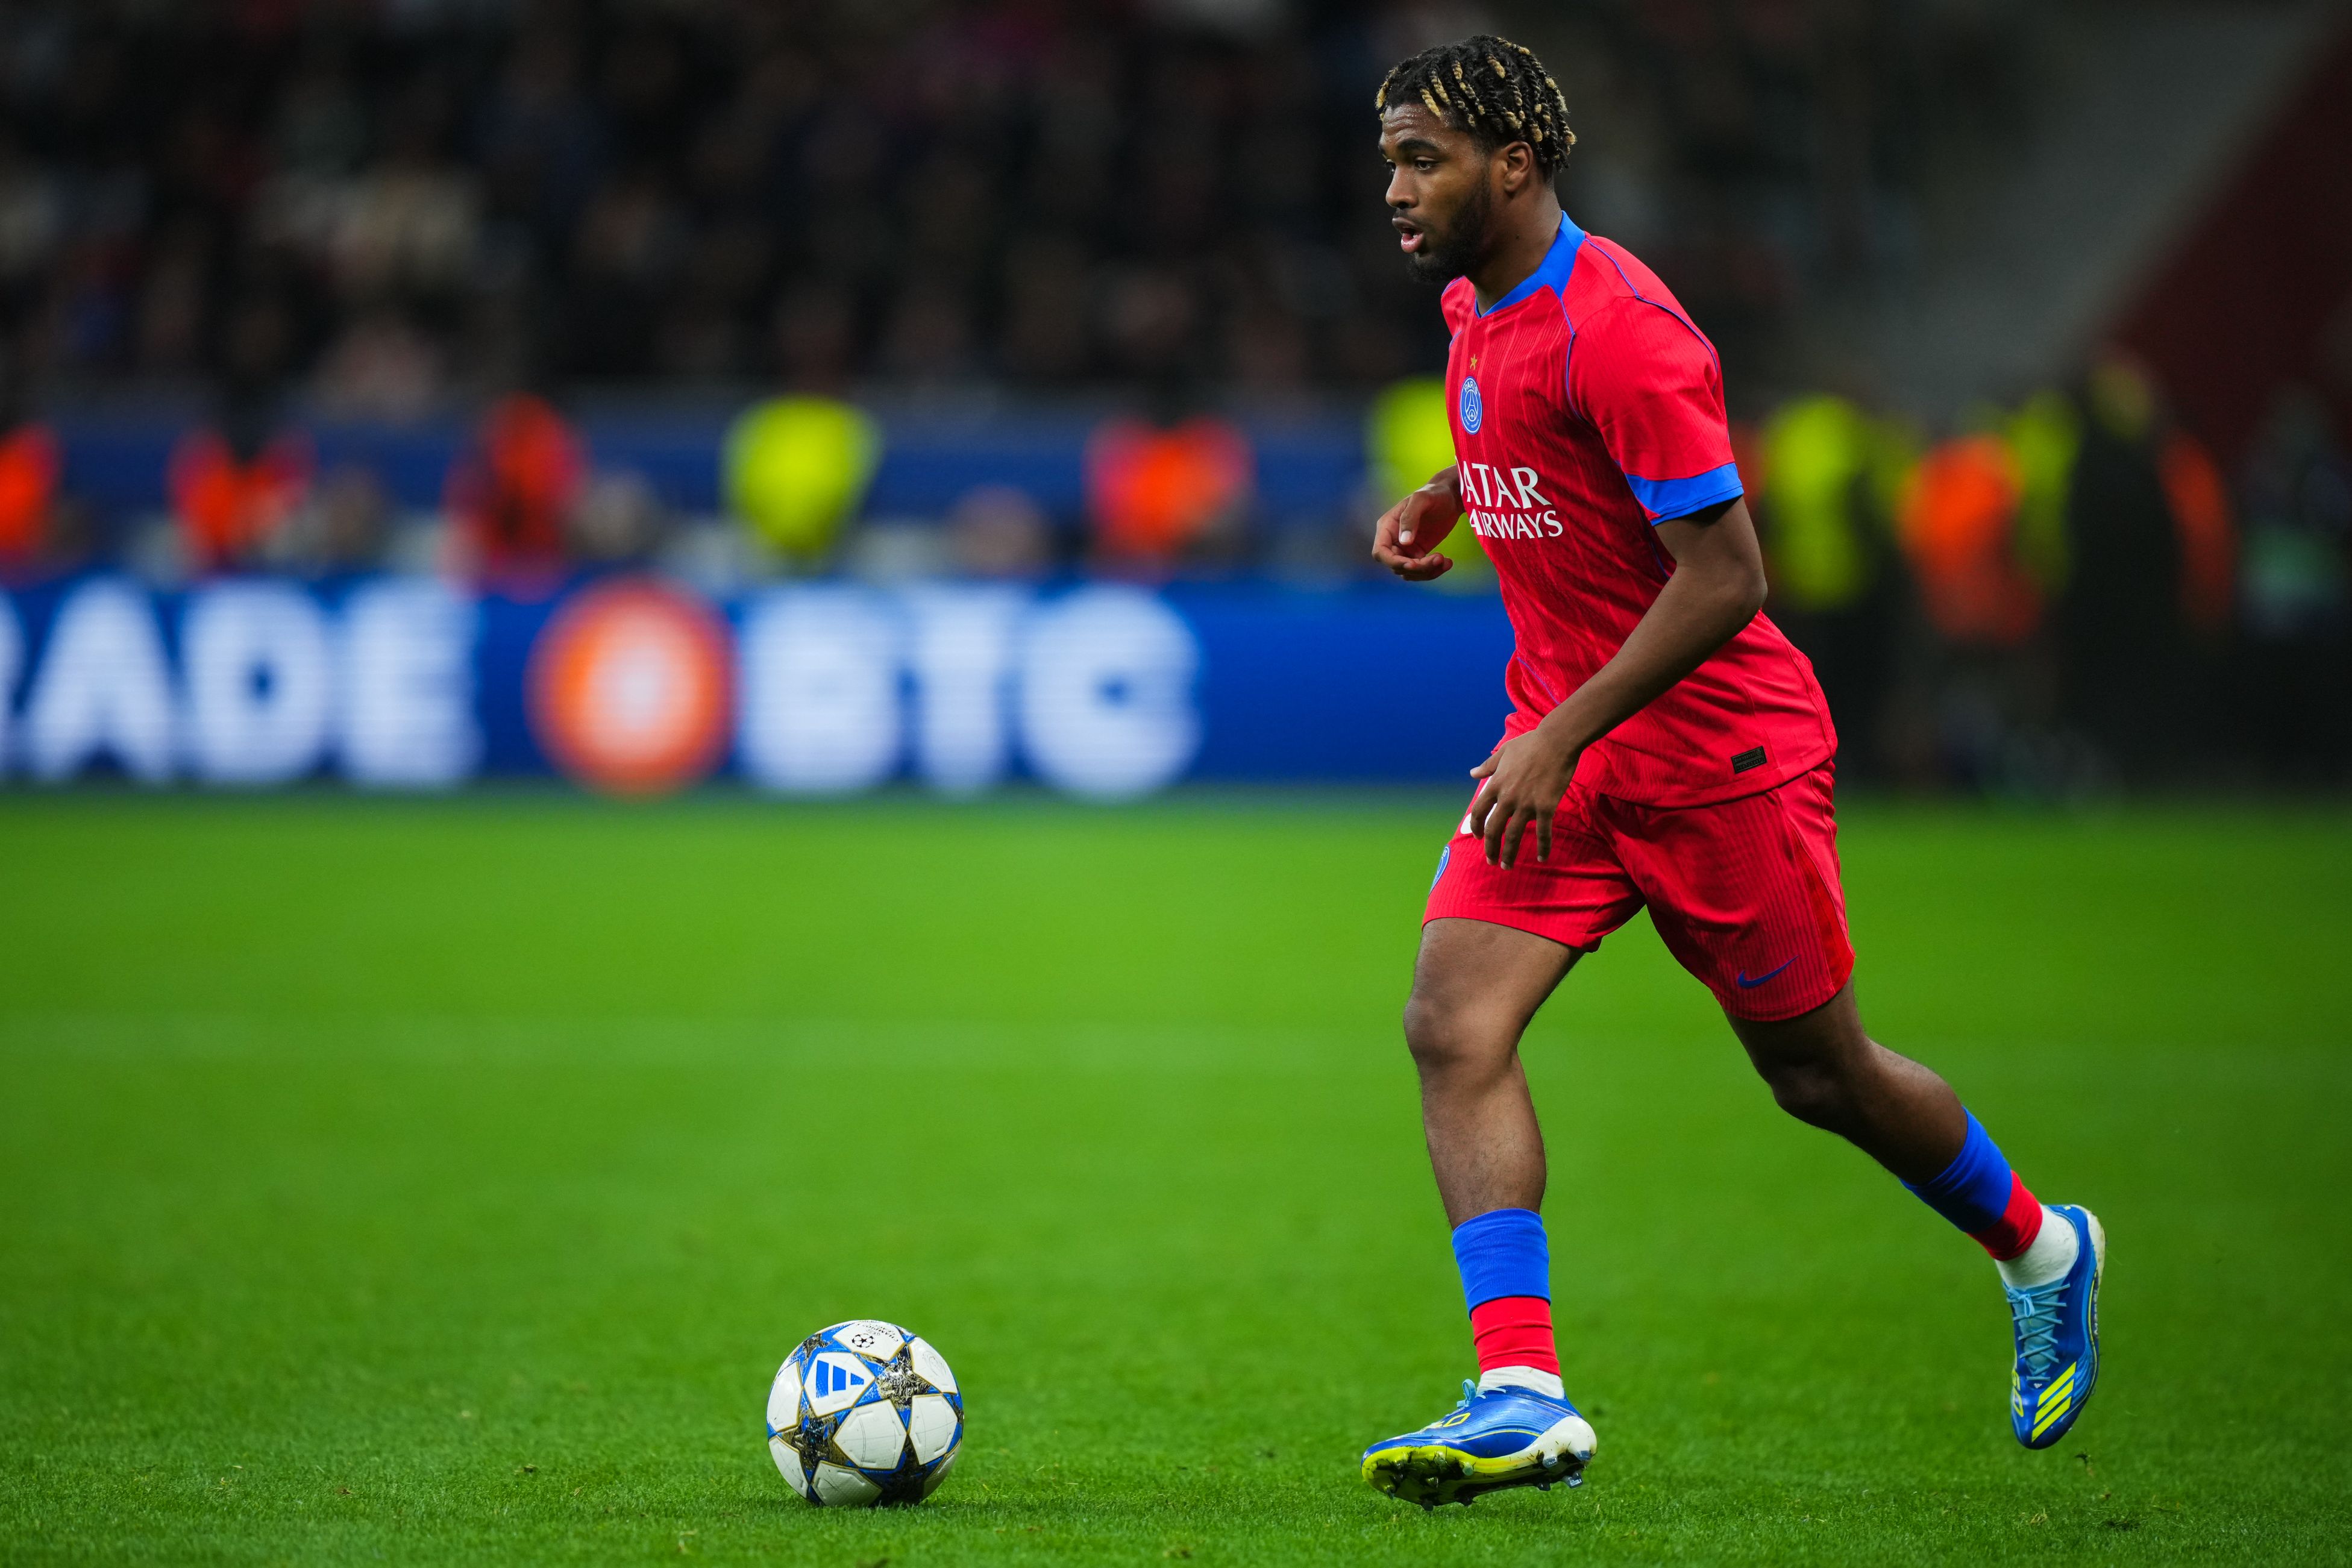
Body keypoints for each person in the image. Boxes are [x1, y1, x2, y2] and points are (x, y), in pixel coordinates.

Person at [1358, 37, 2103, 1509]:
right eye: (1389, 158)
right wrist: (1453, 488)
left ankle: (2039, 1245)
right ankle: (1520, 1391)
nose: (1393, 187)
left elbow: (1726, 576)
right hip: (1565, 759)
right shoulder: (1470, 303)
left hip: (1717, 760)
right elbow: (1542, 445)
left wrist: (1560, 730)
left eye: (1420, 158)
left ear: (1514, 163)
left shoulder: (1622, 327)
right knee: (1450, 1024)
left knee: (1817, 1074)